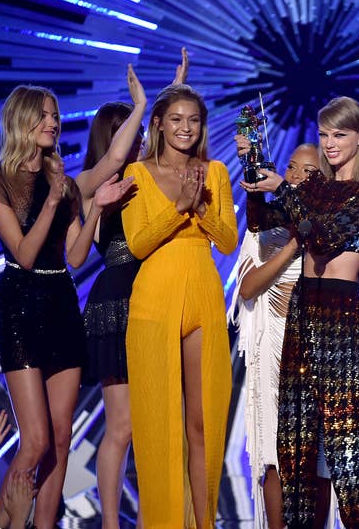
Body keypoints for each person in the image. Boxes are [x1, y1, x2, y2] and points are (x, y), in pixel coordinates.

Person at [0, 85, 133, 529]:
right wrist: (51, 202)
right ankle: (4, 525)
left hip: (62, 305)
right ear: (22, 120)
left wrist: (97, 210)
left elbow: (76, 256)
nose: (53, 122)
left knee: (62, 438)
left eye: (55, 115)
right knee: (36, 441)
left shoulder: (63, 184)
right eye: (44, 115)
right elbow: (24, 255)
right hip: (20, 310)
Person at [244, 96, 359, 529]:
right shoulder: (313, 189)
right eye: (324, 134)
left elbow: (321, 236)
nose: (329, 144)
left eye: (339, 134)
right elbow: (259, 221)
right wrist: (253, 162)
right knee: (294, 445)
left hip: (340, 318)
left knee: (343, 447)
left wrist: (284, 191)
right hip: (303, 310)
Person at [122, 83, 238, 528]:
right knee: (160, 426)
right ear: (159, 124)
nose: (185, 128)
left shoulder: (216, 172)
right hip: (155, 297)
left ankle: (203, 521)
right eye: (176, 119)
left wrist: (202, 209)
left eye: (193, 120)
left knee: (203, 421)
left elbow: (227, 241)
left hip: (205, 294)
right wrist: (179, 208)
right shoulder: (138, 172)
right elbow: (137, 243)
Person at [229, 142, 334, 529]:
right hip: (272, 343)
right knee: (274, 449)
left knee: (319, 452)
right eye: (291, 166)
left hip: (317, 348)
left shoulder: (331, 226)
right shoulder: (263, 227)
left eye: (308, 171)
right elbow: (248, 287)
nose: (295, 175)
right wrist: (291, 245)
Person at [75, 66, 146, 528]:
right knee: (121, 425)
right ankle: (110, 524)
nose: (137, 144)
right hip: (118, 302)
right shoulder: (90, 189)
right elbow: (80, 253)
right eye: (130, 134)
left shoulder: (145, 177)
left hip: (153, 297)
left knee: (155, 421)